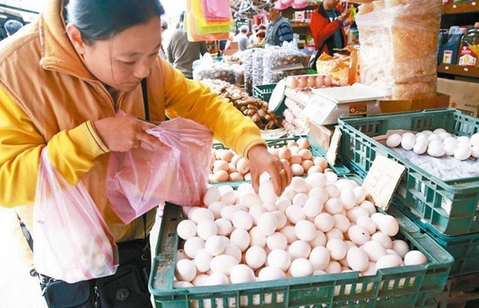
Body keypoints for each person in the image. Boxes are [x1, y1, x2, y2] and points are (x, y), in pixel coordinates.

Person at [0, 0, 292, 307]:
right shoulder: (14, 73)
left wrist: (252, 147)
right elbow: (6, 180)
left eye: (153, 53)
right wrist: (93, 139)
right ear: (77, 39)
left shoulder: (147, 64)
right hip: (72, 255)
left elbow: (200, 103)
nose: (143, 70)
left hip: (133, 233)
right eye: (128, 60)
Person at [167, 12, 208, 79]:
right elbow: (205, 54)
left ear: (180, 21)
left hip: (178, 75)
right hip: (193, 75)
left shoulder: (172, 35)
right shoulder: (196, 34)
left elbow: (170, 59)